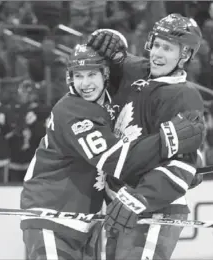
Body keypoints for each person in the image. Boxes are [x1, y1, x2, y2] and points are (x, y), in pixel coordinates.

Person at [20, 43, 204, 260]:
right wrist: (169, 139)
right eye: (78, 76)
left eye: (91, 75)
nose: (85, 83)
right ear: (70, 79)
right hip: (53, 216)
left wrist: (189, 161)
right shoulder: (74, 111)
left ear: (105, 74)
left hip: (87, 223)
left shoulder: (108, 105)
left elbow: (136, 142)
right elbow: (118, 160)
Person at [87, 13, 205, 259]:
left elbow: (180, 165)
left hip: (153, 208)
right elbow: (112, 53)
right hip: (118, 202)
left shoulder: (183, 96)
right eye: (157, 44)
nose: (157, 53)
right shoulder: (141, 71)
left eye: (168, 48)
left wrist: (141, 197)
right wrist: (110, 43)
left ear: (184, 56)